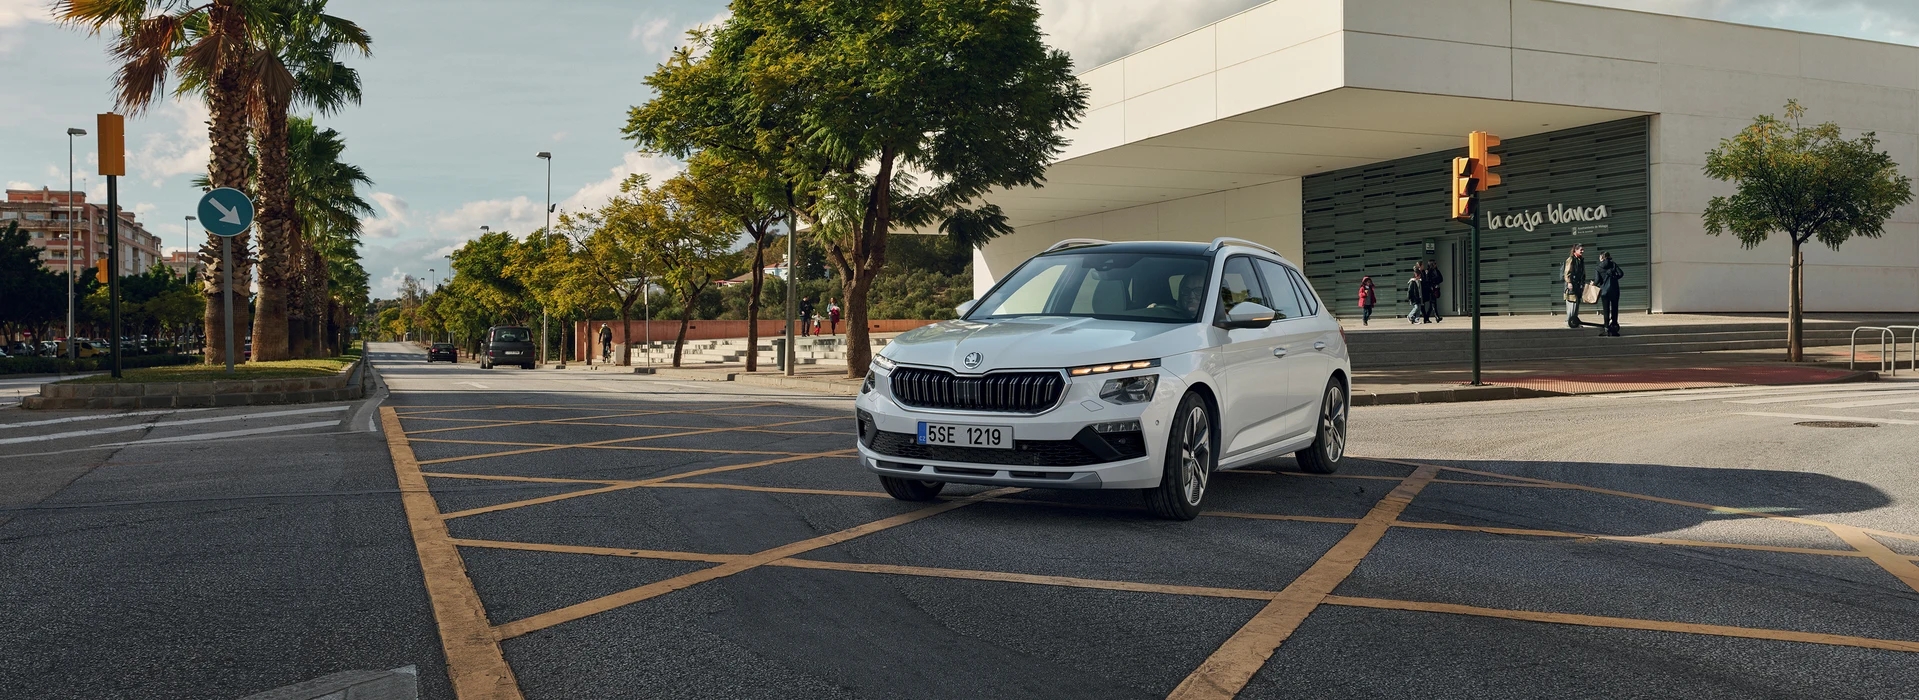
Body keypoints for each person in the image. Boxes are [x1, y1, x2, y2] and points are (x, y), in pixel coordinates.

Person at [1594, 251, 1625, 337]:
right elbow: (1621, 274)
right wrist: (1614, 277)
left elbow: (1597, 281)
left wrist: (1594, 283)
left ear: (1602, 257)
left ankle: (1606, 328)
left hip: (1605, 291)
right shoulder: (1613, 264)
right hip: (1615, 290)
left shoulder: (1598, 267)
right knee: (1615, 309)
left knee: (1606, 310)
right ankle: (1614, 328)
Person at [1563, 244, 1590, 328]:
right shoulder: (1571, 259)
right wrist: (1569, 282)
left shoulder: (1581, 260)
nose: (1582, 251)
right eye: (1581, 250)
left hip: (1578, 285)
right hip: (1572, 284)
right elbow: (1567, 272)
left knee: (1577, 303)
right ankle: (1569, 321)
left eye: (1583, 249)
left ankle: (1574, 322)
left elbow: (1583, 272)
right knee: (1572, 303)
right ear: (1576, 250)